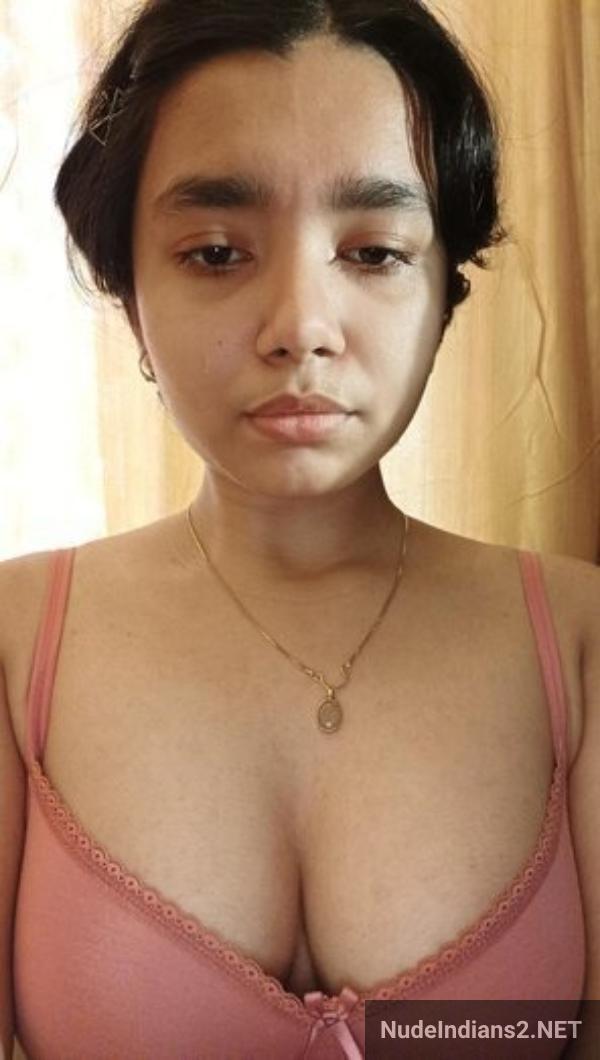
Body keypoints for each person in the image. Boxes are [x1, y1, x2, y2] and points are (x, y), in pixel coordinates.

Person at [1, 1, 598, 1057]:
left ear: (446, 291)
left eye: (372, 252)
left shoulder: (583, 641)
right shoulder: (14, 645)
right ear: (131, 294)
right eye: (216, 251)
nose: (301, 327)